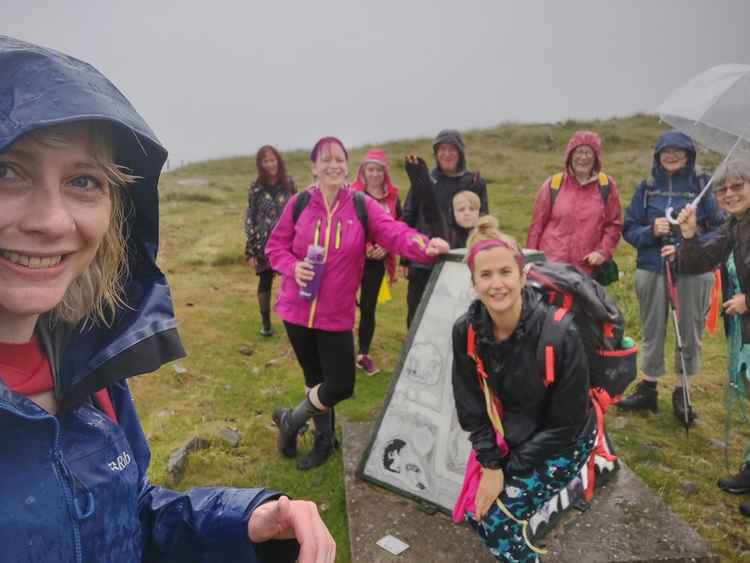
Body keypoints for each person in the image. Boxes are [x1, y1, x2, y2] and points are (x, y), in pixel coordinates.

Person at [0, 36, 335, 562]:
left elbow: (126, 519)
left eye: (83, 180)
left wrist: (244, 524)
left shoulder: (90, 366)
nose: (51, 220)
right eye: (8, 171)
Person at [266, 137, 449, 470]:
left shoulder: (362, 205)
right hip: (296, 309)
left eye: (339, 158)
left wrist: (425, 246)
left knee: (341, 385)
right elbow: (275, 248)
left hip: (335, 314)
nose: (333, 164)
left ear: (347, 165)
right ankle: (324, 441)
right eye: (326, 159)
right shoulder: (299, 203)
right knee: (314, 377)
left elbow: (394, 232)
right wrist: (293, 267)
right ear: (313, 167)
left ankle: (291, 420)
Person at [452, 216, 596, 562]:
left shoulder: (560, 335)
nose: (496, 284)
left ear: (522, 275)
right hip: (516, 433)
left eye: (505, 272)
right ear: (473, 283)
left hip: (567, 441)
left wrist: (506, 469)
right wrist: (491, 464)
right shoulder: (467, 332)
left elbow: (566, 425)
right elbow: (471, 407)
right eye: (485, 275)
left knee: (498, 524)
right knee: (478, 515)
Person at [619, 131, 724, 425]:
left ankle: (683, 392)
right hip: (651, 268)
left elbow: (720, 229)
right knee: (652, 330)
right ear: (657, 155)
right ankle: (648, 389)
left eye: (678, 151)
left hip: (694, 271)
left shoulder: (704, 186)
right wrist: (651, 231)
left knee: (690, 331)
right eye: (665, 151)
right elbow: (628, 229)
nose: (671, 155)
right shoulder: (647, 188)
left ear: (689, 154)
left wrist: (690, 238)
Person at [675, 159, 750, 516]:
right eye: (723, 189)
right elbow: (696, 262)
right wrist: (688, 233)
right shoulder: (734, 226)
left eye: (738, 186)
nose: (729, 194)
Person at [402, 129, 488, 327]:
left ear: (460, 153)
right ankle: (416, 356)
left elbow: (482, 219)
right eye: (442, 149)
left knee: (454, 314)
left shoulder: (474, 182)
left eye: (452, 149)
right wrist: (405, 259)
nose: (447, 154)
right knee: (418, 314)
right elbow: (408, 215)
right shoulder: (424, 179)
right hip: (423, 259)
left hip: (458, 259)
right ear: (436, 153)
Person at [526, 130, 623, 276]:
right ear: (570, 155)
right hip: (550, 267)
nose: (583, 158)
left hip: (586, 269)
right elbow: (537, 226)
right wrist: (530, 259)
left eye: (588, 152)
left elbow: (613, 225)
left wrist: (602, 252)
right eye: (578, 152)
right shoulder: (553, 184)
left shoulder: (606, 186)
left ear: (596, 157)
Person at [351, 149, 402, 376]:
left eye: (378, 170)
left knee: (368, 307)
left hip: (377, 261)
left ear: (385, 173)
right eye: (370, 169)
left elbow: (397, 226)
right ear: (363, 171)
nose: (374, 174)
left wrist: (387, 247)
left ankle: (363, 354)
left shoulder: (392, 198)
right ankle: (339, 351)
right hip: (351, 258)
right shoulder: (352, 194)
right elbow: (348, 225)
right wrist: (366, 247)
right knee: (343, 303)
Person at [245, 145, 296, 337]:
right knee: (265, 280)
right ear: (261, 164)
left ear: (278, 161)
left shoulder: (289, 184)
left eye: (272, 160)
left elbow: (299, 213)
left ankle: (292, 320)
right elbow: (250, 216)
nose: (270, 164)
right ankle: (265, 323)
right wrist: (250, 250)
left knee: (290, 281)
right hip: (263, 244)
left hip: (288, 243)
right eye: (265, 161)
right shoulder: (256, 187)